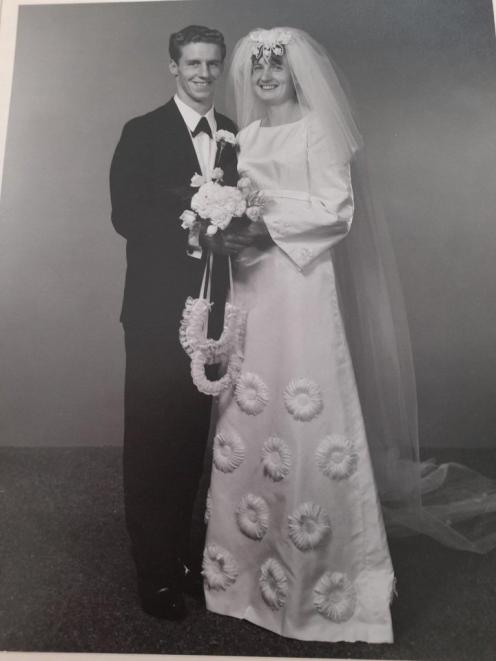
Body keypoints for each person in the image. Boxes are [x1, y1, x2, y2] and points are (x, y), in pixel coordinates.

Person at [202, 27, 396, 642]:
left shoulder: (318, 128)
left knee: (303, 408)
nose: (264, 79)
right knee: (251, 405)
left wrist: (266, 228)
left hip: (300, 281)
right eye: (257, 71)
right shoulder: (249, 135)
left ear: (296, 76)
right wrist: (226, 227)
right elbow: (237, 199)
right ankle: (244, 577)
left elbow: (336, 207)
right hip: (253, 283)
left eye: (276, 70)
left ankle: (323, 576)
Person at [109, 25, 241, 620]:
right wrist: (191, 228)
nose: (203, 74)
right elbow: (126, 215)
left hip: (215, 310)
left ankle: (182, 558)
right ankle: (154, 571)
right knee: (151, 440)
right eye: (193, 63)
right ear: (174, 67)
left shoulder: (237, 135)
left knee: (191, 438)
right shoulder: (142, 131)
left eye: (213, 64)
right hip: (156, 310)